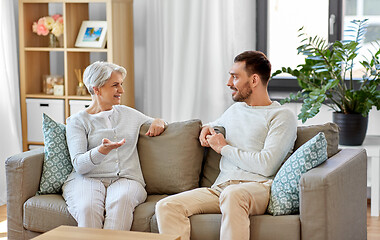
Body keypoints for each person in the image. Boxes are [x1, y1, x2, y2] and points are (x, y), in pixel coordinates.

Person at [155, 51, 297, 240]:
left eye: (235, 76)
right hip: (220, 189)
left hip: (258, 187)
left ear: (254, 80)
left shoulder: (282, 116)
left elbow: (266, 165)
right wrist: (206, 127)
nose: (229, 82)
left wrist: (224, 149)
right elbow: (214, 124)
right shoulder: (235, 110)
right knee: (166, 206)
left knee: (233, 195)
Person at [62, 61, 166, 230]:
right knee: (87, 208)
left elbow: (155, 121)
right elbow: (79, 166)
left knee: (121, 203)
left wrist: (159, 121)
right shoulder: (77, 121)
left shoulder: (128, 113)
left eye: (121, 85)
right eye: (115, 85)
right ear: (97, 89)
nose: (121, 91)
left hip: (127, 179)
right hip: (87, 178)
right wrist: (100, 151)